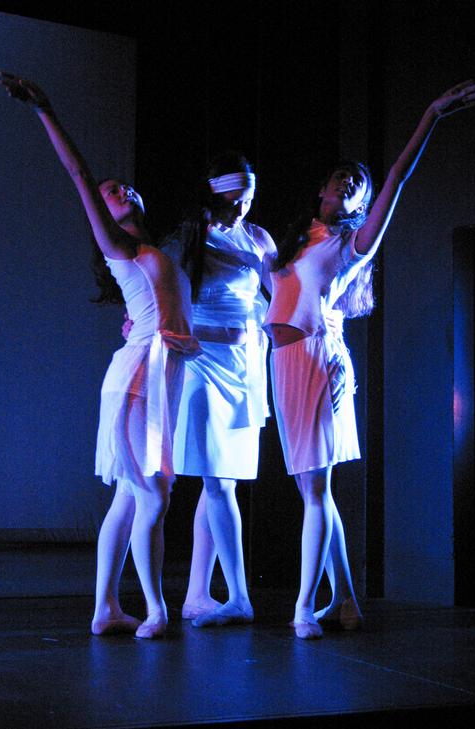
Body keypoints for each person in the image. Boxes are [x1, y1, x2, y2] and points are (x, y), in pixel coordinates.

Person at [263, 80, 475, 638]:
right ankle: (348, 602)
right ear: (322, 188)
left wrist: (431, 113)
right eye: (342, 176)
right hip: (281, 363)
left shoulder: (350, 244)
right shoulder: (294, 241)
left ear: (361, 205)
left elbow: (397, 178)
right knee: (313, 491)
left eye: (357, 183)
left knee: (316, 492)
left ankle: (304, 608)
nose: (349, 182)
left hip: (318, 360)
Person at [0, 72, 200, 639]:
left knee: (129, 496)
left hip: (160, 376)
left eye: (128, 187)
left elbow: (175, 316)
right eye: (112, 192)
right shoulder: (122, 249)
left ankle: (106, 607)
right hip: (139, 377)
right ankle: (156, 609)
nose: (123, 191)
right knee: (154, 494)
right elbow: (78, 174)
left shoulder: (158, 252)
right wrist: (44, 107)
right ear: (103, 215)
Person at [162, 151, 277, 626]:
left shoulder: (258, 237)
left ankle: (196, 594)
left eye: (248, 199)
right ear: (215, 194)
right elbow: (165, 299)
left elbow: (284, 296)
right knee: (218, 480)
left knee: (219, 478)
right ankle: (240, 596)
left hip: (244, 365)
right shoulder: (188, 238)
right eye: (234, 199)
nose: (242, 208)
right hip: (201, 362)